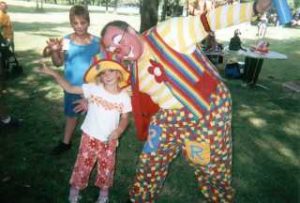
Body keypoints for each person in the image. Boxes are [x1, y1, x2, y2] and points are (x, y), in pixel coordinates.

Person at [100, 0, 272, 202]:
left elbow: (210, 20)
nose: (119, 47)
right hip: (168, 116)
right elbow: (125, 93)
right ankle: (140, 198)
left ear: (130, 30)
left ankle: (219, 198)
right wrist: (97, 96)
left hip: (207, 106)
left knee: (210, 166)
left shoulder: (169, 32)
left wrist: (254, 8)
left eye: (119, 38)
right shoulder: (132, 68)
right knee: (150, 160)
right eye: (113, 47)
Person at [37, 59, 131, 203]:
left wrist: (119, 130)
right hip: (89, 137)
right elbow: (69, 88)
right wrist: (53, 73)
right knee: (83, 165)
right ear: (99, 76)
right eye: (103, 73)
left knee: (107, 168)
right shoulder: (94, 88)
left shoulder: (124, 96)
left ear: (119, 74)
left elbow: (125, 117)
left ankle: (104, 193)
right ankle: (75, 189)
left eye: (111, 71)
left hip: (109, 140)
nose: (107, 75)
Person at [43, 5, 100, 155]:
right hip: (71, 87)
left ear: (88, 22)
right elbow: (58, 63)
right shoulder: (66, 41)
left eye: (83, 22)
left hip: (91, 88)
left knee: (93, 116)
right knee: (71, 115)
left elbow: (102, 65)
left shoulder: (97, 42)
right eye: (75, 23)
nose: (80, 26)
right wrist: (55, 51)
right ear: (71, 23)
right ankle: (66, 142)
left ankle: (93, 144)